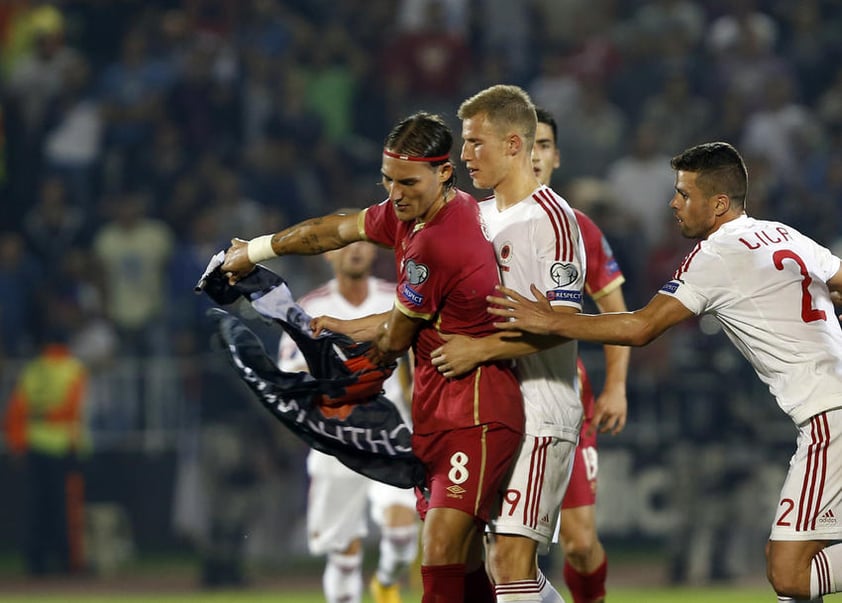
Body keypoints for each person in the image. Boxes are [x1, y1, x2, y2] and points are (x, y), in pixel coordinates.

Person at [486, 141, 842, 603]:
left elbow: (640, 327)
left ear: (717, 203)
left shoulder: (715, 254)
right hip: (830, 406)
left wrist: (549, 318)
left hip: (829, 416)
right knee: (796, 584)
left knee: (791, 575)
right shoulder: (782, 233)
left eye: (683, 194)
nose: (673, 203)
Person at [221, 111, 525, 603]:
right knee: (465, 564)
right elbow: (333, 230)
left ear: (444, 173)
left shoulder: (439, 239)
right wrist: (254, 251)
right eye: (387, 180)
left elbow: (393, 339)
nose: (395, 192)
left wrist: (342, 371)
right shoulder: (413, 215)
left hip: (478, 410)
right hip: (435, 408)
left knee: (440, 547)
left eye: (408, 181)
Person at [430, 84, 584, 602]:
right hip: (488, 409)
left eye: (476, 143)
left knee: (512, 558)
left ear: (515, 145)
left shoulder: (553, 220)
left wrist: (480, 349)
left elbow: (564, 320)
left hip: (542, 405)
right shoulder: (474, 217)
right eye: (464, 142)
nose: (464, 155)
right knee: (497, 561)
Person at [277, 240, 419, 603]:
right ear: (328, 253)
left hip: (392, 434)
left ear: (374, 252)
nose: (353, 252)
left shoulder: (397, 300)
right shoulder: (310, 307)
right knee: (343, 551)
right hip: (337, 439)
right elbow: (291, 374)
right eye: (344, 246)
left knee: (403, 534)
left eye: (362, 245)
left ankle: (386, 582)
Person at [533, 107, 630, 603]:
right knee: (501, 548)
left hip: (567, 398)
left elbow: (616, 313)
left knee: (579, 542)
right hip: (498, 394)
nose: (534, 154)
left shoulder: (577, 228)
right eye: (526, 143)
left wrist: (615, 385)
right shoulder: (476, 221)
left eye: (544, 144)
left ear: (557, 156)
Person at [3, 326, 90, 576]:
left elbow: (15, 413)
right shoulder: (73, 369)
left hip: (33, 446)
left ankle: (35, 562)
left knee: (35, 508)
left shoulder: (33, 370)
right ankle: (67, 561)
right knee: (64, 508)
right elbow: (75, 411)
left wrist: (17, 445)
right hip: (63, 447)